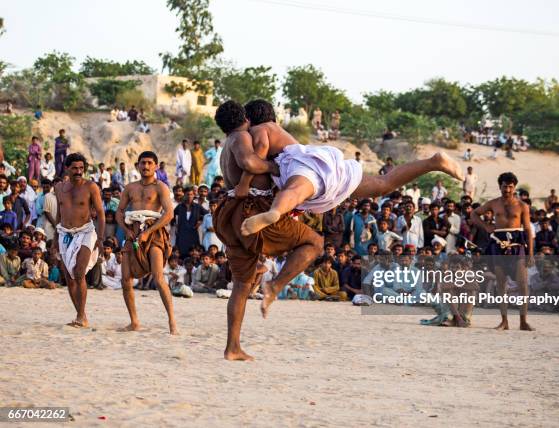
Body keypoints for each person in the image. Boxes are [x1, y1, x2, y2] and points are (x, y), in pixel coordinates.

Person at [237, 100, 463, 236]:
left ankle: (274, 212)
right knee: (382, 185)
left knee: (294, 192)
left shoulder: (260, 129)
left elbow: (254, 163)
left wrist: (243, 185)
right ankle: (433, 162)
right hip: (328, 168)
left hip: (301, 165)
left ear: (250, 118)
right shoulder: (279, 129)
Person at [212, 101, 323, 360]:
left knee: (241, 283)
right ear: (245, 118)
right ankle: (275, 285)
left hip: (231, 212)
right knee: (315, 243)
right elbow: (250, 162)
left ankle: (233, 347)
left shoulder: (227, 143)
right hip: (251, 209)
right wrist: (275, 167)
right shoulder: (241, 136)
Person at [115, 151, 177, 334]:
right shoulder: (130, 187)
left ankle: (172, 321)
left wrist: (148, 232)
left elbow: (169, 213)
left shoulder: (161, 188)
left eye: (150, 163)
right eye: (143, 163)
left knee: (158, 278)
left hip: (154, 233)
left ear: (156, 166)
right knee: (126, 280)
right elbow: (119, 211)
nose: (146, 166)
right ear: (138, 165)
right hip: (132, 232)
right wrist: (127, 231)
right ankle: (134, 321)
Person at [471, 172, 534, 331]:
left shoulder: (522, 206)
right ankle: (504, 321)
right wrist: (485, 226)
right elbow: (474, 214)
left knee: (522, 284)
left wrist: (530, 253)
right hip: (498, 243)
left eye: (511, 187)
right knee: (501, 283)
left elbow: (527, 230)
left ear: (514, 188)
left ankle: (523, 321)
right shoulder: (493, 203)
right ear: (500, 186)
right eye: (505, 186)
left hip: (517, 244)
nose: (507, 189)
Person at [54, 153, 106, 328]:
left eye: (81, 168)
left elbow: (100, 213)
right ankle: (81, 315)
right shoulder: (59, 188)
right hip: (64, 233)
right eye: (75, 168)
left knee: (79, 272)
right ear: (67, 168)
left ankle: (80, 315)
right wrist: (55, 239)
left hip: (86, 232)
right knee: (69, 277)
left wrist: (100, 238)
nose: (78, 171)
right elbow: (58, 214)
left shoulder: (91, 187)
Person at [174, 187, 204, 258]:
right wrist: (175, 224)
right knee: (182, 254)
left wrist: (201, 220)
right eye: (187, 194)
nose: (189, 196)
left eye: (191, 194)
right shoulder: (180, 206)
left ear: (194, 195)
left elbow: (207, 214)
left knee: (194, 254)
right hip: (182, 234)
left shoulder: (197, 206)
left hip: (193, 233)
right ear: (184, 195)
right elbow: (172, 215)